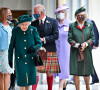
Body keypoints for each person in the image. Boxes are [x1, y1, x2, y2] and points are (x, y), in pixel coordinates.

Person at [8, 15, 42, 90]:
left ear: (29, 23)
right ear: (19, 24)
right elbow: (11, 46)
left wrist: (34, 48)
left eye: (26, 24)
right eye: (22, 24)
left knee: (29, 79)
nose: (24, 26)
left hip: (31, 58)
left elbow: (39, 43)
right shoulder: (15, 30)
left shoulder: (33, 30)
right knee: (21, 79)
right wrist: (10, 60)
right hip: (20, 58)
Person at [31, 4, 60, 90]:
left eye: (35, 12)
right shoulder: (33, 23)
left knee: (49, 73)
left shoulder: (53, 21)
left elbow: (56, 35)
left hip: (50, 50)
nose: (34, 14)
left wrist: (44, 39)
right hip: (37, 51)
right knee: (35, 72)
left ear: (41, 13)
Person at [68, 7, 94, 90]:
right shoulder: (72, 25)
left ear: (85, 16)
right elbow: (69, 38)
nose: (80, 17)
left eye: (82, 15)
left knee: (87, 71)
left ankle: (87, 87)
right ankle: (77, 89)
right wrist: (77, 45)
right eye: (78, 15)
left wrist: (86, 44)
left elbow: (92, 38)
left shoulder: (90, 25)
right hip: (75, 52)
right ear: (76, 16)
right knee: (76, 72)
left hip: (87, 51)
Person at [54, 4, 70, 90]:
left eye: (62, 12)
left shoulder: (69, 24)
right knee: (56, 70)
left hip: (65, 49)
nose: (61, 13)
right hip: (55, 48)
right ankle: (64, 86)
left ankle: (61, 87)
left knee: (63, 69)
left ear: (65, 13)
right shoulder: (54, 23)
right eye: (59, 12)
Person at [0, 7, 14, 90]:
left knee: (8, 72)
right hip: (2, 51)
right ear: (4, 14)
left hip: (10, 52)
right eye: (9, 13)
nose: (10, 14)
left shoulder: (11, 26)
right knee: (1, 73)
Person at [87, 19, 99, 85]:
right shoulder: (78, 22)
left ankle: (95, 78)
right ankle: (95, 78)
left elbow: (96, 32)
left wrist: (96, 43)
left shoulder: (90, 21)